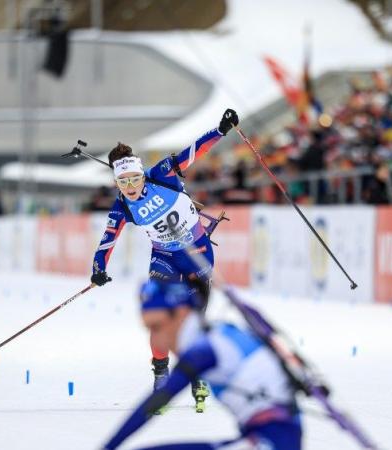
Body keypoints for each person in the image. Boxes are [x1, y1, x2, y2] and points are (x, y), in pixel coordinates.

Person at [90, 109, 239, 412]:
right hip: (164, 258)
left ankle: (197, 373)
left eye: (134, 179)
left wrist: (221, 130)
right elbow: (108, 240)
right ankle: (161, 375)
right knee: (160, 320)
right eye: (123, 183)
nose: (130, 188)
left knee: (193, 320)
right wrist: (98, 269)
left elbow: (192, 152)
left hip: (197, 254)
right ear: (116, 184)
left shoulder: (163, 175)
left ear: (142, 175)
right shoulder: (122, 208)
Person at [101, 278, 302, 450]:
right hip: (268, 437)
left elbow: (159, 399)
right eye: (148, 329)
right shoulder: (216, 333)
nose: (156, 339)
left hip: (272, 440)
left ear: (181, 313)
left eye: (157, 327)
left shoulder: (206, 348)